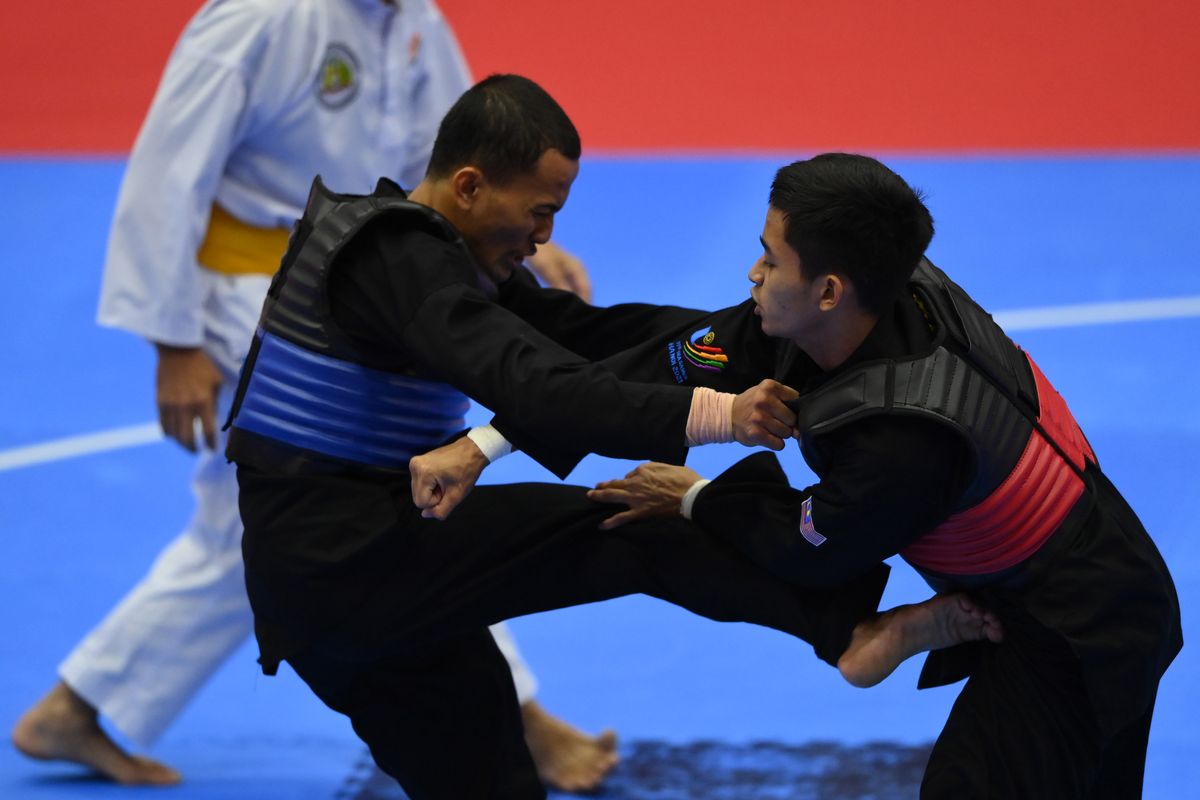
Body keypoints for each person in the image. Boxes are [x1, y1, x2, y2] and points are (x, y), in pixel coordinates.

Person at [226, 74, 1001, 800]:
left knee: (490, 783)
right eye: (538, 211)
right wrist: (720, 414)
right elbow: (543, 388)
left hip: (361, 578)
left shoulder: (437, 259)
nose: (545, 237)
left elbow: (589, 339)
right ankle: (848, 633)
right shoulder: (399, 260)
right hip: (342, 562)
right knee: (635, 521)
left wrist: (771, 335)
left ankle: (847, 630)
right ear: (468, 186)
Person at [11, 0, 605, 791]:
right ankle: (519, 716)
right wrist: (174, 337)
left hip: (372, 281)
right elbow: (168, 163)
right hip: (259, 300)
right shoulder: (259, 16)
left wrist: (528, 238)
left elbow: (473, 151)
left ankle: (76, 708)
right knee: (403, 496)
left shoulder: (409, 16)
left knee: (268, 527)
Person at [587, 153, 1183, 798]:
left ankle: (882, 634)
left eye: (770, 259)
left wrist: (696, 498)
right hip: (1068, 581)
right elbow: (691, 354)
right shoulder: (875, 292)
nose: (753, 273)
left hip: (1080, 631)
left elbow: (806, 551)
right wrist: (505, 433)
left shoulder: (902, 442)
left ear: (828, 290)